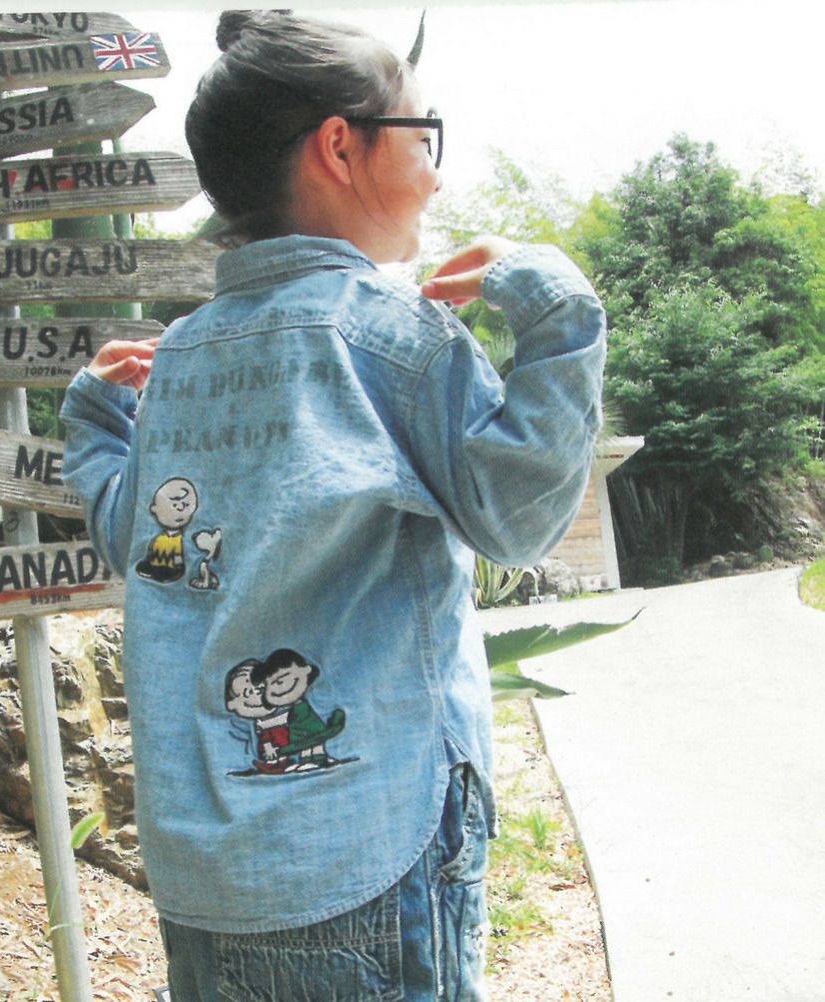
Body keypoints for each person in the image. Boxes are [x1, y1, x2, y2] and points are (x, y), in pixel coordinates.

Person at [60, 9, 606, 1001]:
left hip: (204, 882)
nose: (435, 172)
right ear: (341, 147)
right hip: (370, 850)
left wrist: (97, 420)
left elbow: (137, 537)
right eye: (424, 134)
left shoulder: (179, 362)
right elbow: (519, 520)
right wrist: (558, 313)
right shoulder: (392, 341)